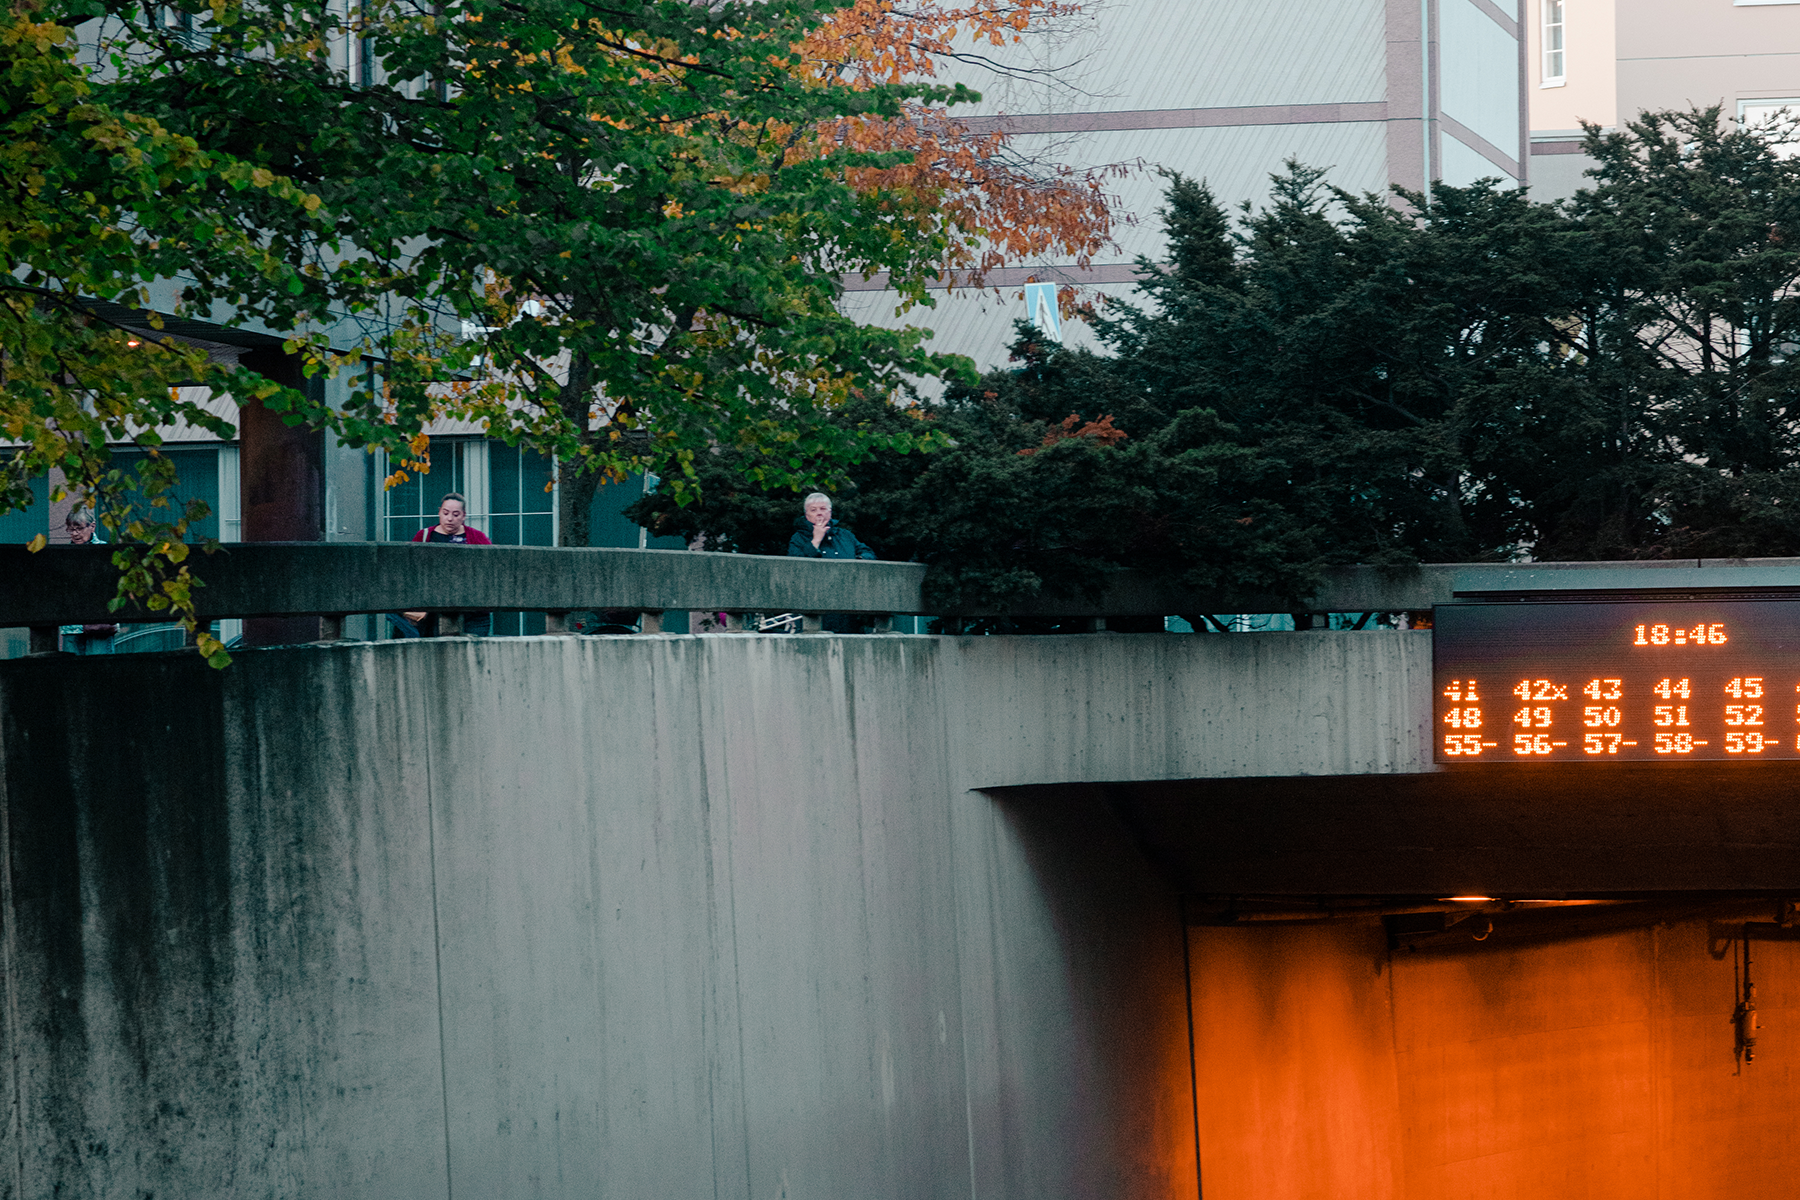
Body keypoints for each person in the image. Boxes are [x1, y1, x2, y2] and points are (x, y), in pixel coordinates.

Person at [389, 493, 493, 638]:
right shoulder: (424, 536)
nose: (450, 518)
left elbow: (490, 568)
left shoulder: (477, 538)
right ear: (439, 512)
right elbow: (409, 569)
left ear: (463, 516)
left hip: (472, 612)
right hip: (431, 611)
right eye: (445, 513)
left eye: (456, 514)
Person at [786, 492, 876, 633]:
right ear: (806, 515)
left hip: (847, 603)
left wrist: (858, 562)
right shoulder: (798, 538)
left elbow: (868, 553)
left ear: (830, 512)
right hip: (814, 602)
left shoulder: (845, 535)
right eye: (813, 510)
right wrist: (816, 540)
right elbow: (797, 567)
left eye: (823, 509)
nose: (819, 514)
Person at [60, 508, 117, 654]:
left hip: (99, 622)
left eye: (79, 529)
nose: (74, 534)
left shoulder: (105, 551)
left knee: (99, 672)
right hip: (71, 625)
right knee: (73, 673)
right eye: (70, 529)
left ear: (92, 526)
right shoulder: (62, 554)